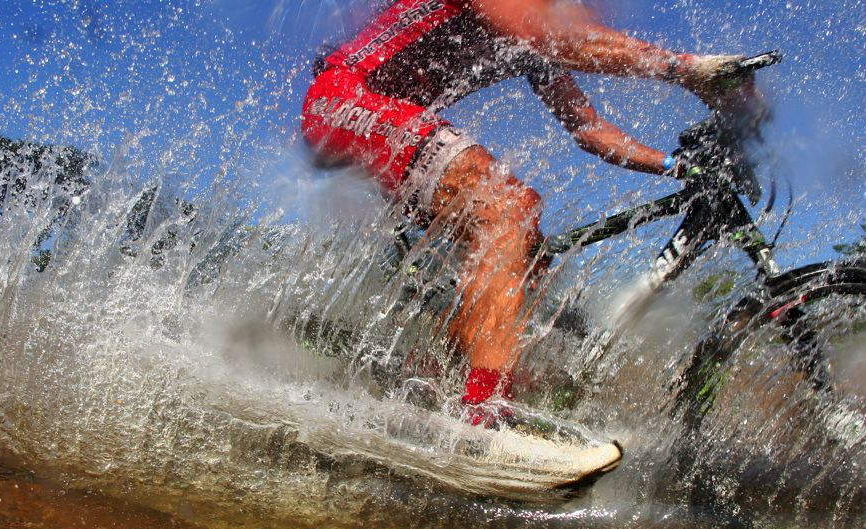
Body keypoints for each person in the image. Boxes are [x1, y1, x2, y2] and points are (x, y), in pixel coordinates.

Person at [301, 0, 761, 427]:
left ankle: (444, 380)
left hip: (380, 114)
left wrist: (676, 166)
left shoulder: (532, 42)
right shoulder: (526, 18)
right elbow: (561, 39)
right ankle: (483, 413)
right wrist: (688, 69)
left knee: (525, 253)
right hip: (343, 98)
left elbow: (590, 129)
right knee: (508, 210)